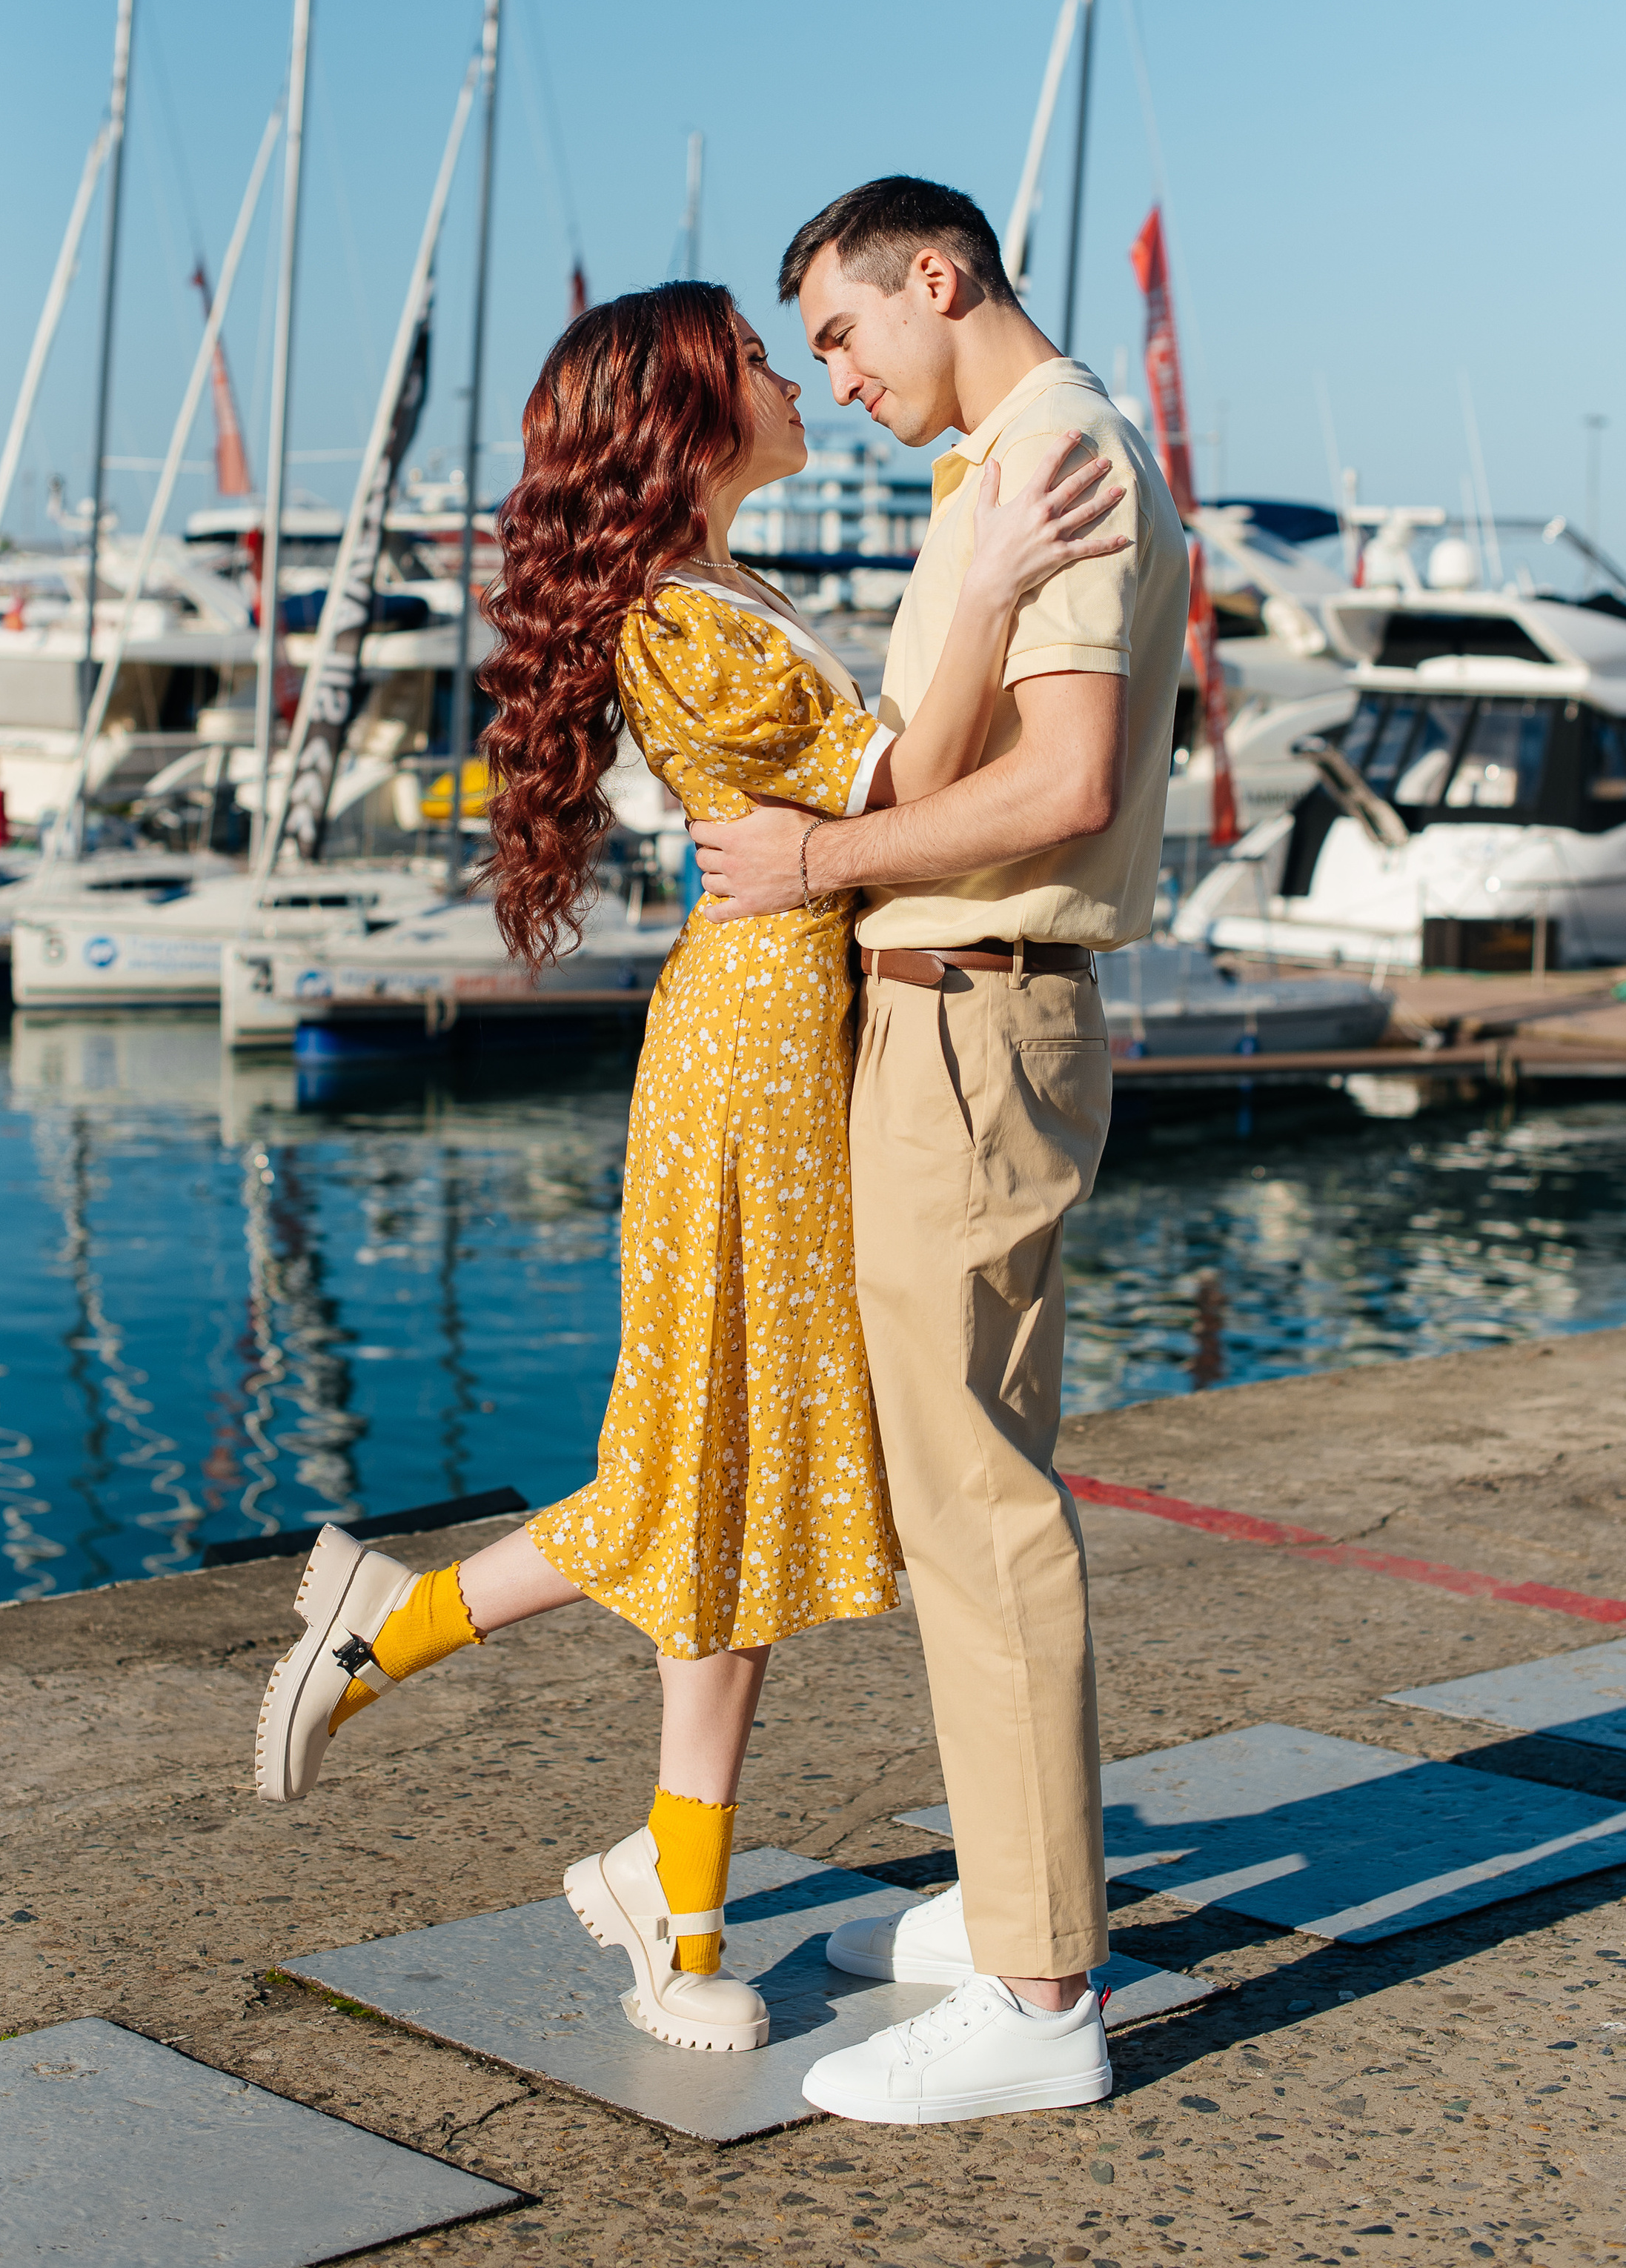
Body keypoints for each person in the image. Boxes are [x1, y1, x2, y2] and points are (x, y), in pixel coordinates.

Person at [252, 279, 1126, 2062]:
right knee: (722, 1463)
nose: (796, 380)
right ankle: (667, 1892)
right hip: (750, 1052)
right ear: (683, 410)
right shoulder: (679, 616)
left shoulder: (734, 588)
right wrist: (984, 570)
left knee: (722, 1460)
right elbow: (903, 771)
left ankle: (420, 1643)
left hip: (792, 1025)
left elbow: (856, 802)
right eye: (754, 357)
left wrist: (973, 576)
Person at [688, 176, 1189, 2126]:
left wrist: (816, 858)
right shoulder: (1013, 461)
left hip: (977, 1009)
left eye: (837, 326)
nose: (833, 367)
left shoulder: (1052, 456)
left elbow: (1059, 782)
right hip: (959, 1009)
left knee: (977, 1507)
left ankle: (1040, 1996)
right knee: (967, 1486)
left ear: (940, 273)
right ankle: (1018, 1902)